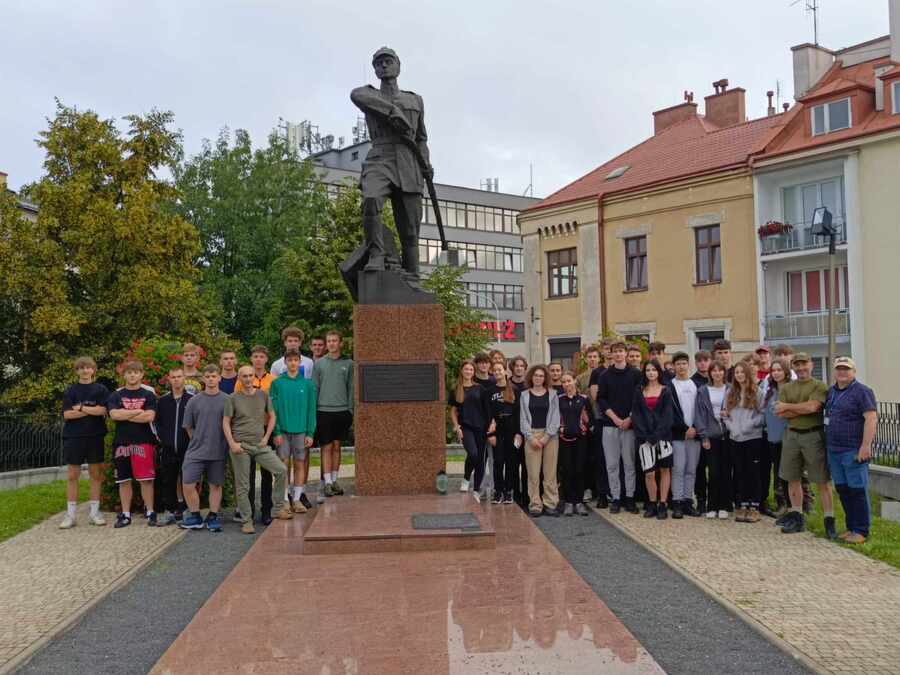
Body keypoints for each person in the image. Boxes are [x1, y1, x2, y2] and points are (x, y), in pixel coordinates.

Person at [350, 46, 432, 276]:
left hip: (409, 161)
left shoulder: (415, 100)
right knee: (371, 198)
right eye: (379, 63)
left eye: (388, 61)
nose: (384, 66)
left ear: (398, 66)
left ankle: (412, 273)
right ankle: (376, 253)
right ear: (375, 70)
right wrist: (393, 113)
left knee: (410, 227)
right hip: (380, 157)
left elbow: (421, 138)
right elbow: (356, 95)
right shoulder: (369, 94)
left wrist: (426, 163)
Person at [223, 365, 293, 534]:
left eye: (250, 376)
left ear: (254, 377)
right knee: (243, 485)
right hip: (241, 446)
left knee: (281, 470)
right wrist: (232, 443)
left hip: (260, 445)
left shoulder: (263, 395)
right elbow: (225, 422)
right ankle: (247, 520)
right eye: (244, 376)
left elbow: (272, 416)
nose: (248, 379)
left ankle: (277, 509)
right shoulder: (232, 398)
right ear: (239, 378)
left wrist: (266, 437)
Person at [775, 353, 835, 537]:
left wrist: (789, 406)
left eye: (804, 364)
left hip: (813, 435)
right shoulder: (787, 387)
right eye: (797, 365)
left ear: (811, 365)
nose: (801, 368)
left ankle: (829, 520)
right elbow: (781, 413)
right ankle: (797, 517)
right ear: (793, 367)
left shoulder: (819, 385)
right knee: (792, 478)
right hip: (792, 435)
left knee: (822, 480)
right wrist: (800, 408)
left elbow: (813, 408)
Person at [825, 357, 877, 544]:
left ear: (853, 372)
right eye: (839, 369)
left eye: (846, 369)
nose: (842, 372)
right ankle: (851, 527)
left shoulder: (862, 392)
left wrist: (866, 445)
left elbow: (871, 418)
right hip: (834, 450)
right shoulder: (831, 392)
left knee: (857, 490)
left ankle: (861, 530)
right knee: (843, 489)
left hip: (853, 449)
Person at [59, 356, 109, 529]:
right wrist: (92, 410)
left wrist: (80, 408)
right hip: (74, 437)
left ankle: (94, 513)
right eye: (81, 368)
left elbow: (103, 410)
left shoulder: (101, 389)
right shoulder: (70, 390)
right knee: (72, 475)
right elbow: (67, 414)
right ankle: (71, 515)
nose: (85, 370)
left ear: (93, 370)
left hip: (95, 436)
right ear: (77, 371)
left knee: (96, 474)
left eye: (88, 367)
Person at [179, 365, 230, 532]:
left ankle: (213, 516)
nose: (210, 379)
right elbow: (188, 426)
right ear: (203, 379)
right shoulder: (194, 401)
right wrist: (197, 439)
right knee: (188, 484)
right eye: (207, 376)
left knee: (216, 485)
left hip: (218, 450)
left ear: (219, 378)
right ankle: (195, 516)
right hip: (196, 451)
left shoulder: (227, 400)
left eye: (214, 376)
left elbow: (231, 424)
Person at [107, 360, 157, 528]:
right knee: (124, 480)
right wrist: (137, 411)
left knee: (146, 480)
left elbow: (149, 416)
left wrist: (125, 414)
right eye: (129, 372)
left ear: (141, 374)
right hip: (122, 443)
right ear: (124, 375)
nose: (132, 375)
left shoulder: (148, 394)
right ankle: (126, 514)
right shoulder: (116, 395)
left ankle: (150, 512)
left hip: (143, 441)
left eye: (136, 372)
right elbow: (114, 415)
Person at [235, 345, 282, 523]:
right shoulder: (242, 379)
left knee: (267, 473)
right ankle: (249, 512)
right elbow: (236, 405)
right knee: (248, 473)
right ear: (251, 359)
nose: (258, 359)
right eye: (255, 356)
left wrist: (275, 432)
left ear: (266, 359)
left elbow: (275, 409)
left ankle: (266, 510)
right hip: (247, 431)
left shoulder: (273, 380)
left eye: (261, 356)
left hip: (266, 430)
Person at [596, 342, 642, 514]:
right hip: (610, 425)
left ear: (626, 354)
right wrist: (615, 418)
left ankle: (630, 498)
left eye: (621, 351)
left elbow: (639, 398)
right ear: (611, 354)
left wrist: (629, 418)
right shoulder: (605, 375)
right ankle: (615, 498)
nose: (618, 354)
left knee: (629, 464)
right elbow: (601, 399)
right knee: (612, 464)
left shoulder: (635, 374)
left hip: (630, 425)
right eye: (615, 352)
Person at [270, 350, 318, 510]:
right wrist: (276, 431)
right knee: (283, 465)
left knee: (300, 463)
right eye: (289, 360)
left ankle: (297, 499)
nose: (292, 363)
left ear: (299, 362)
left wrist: (310, 432)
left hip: (301, 431)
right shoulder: (277, 383)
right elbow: (273, 410)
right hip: (283, 431)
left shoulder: (307, 384)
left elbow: (311, 410)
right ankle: (284, 499)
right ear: (285, 362)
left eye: (295, 360)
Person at [631, 360, 675, 519]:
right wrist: (645, 436)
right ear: (644, 373)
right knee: (649, 473)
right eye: (648, 370)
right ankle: (652, 503)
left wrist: (657, 435)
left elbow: (668, 416)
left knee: (664, 470)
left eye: (654, 370)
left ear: (659, 372)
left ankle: (663, 504)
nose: (651, 373)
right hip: (644, 439)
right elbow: (636, 415)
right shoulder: (639, 391)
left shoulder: (666, 390)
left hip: (663, 438)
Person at [313, 330, 354, 498]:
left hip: (342, 411)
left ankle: (335, 480)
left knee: (337, 447)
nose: (331, 343)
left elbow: (351, 388)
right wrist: (314, 411)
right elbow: (315, 388)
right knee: (327, 447)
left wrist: (350, 410)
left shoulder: (349, 364)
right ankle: (328, 482)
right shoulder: (319, 364)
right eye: (329, 341)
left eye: (334, 341)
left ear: (340, 343)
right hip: (324, 411)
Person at [723, 362, 765, 523]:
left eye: (742, 372)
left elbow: (763, 415)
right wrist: (732, 427)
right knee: (739, 472)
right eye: (737, 372)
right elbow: (725, 415)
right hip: (735, 438)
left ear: (747, 373)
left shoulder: (757, 392)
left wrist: (750, 424)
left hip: (753, 438)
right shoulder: (730, 393)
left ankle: (754, 506)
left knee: (753, 472)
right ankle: (742, 504)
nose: (739, 375)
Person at [520, 365, 561, 517]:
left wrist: (546, 437)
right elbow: (523, 419)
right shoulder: (524, 395)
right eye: (536, 375)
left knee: (550, 473)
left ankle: (550, 503)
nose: (538, 378)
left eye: (541, 376)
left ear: (545, 378)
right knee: (533, 473)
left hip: (550, 436)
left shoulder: (553, 394)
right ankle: (535, 504)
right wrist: (530, 437)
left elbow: (556, 417)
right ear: (531, 377)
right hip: (531, 435)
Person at [154, 367, 193, 525]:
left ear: (184, 378)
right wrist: (163, 438)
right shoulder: (163, 401)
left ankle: (187, 510)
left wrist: (194, 441)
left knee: (188, 480)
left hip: (188, 448)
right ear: (169, 379)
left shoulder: (192, 400)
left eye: (179, 376)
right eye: (173, 377)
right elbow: (157, 422)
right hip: (168, 448)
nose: (176, 380)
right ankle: (170, 510)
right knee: (168, 479)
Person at [450, 360, 492, 498]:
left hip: (481, 428)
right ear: (462, 371)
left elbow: (487, 409)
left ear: (474, 372)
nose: (468, 371)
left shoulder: (480, 388)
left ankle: (477, 489)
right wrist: (456, 426)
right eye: (466, 369)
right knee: (473, 453)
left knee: (480, 459)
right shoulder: (456, 389)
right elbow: (453, 411)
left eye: (471, 370)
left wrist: (490, 426)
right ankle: (466, 478)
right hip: (465, 427)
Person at [695, 361, 732, 519]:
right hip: (711, 436)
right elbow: (699, 415)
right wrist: (703, 436)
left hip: (729, 435)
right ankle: (712, 506)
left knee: (726, 472)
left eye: (720, 370)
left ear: (724, 372)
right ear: (710, 373)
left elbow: (738, 409)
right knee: (714, 472)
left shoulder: (731, 389)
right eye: (714, 371)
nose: (717, 373)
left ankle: (724, 506)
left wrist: (728, 414)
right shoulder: (703, 390)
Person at [557, 372, 594, 516]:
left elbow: (590, 419)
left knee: (579, 470)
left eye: (569, 381)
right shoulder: (558, 399)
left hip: (580, 440)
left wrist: (585, 427)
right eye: (564, 382)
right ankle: (568, 502)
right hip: (564, 440)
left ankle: (578, 502)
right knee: (567, 470)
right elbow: (554, 418)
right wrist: (560, 428)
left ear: (575, 381)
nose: (567, 384)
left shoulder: (584, 399)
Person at [669, 352, 701, 518]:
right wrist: (684, 429)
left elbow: (701, 409)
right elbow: (670, 412)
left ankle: (688, 501)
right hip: (678, 435)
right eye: (678, 364)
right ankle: (677, 502)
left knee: (691, 469)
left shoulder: (696, 385)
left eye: (684, 363)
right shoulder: (669, 386)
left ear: (688, 365)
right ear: (673, 366)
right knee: (678, 469)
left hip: (694, 434)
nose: (681, 367)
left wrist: (695, 427)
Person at [486, 361, 522, 505]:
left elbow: (518, 412)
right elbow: (487, 413)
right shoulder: (489, 391)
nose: (497, 372)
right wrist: (490, 434)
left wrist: (518, 432)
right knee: (498, 461)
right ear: (492, 373)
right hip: (497, 430)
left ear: (505, 371)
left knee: (511, 462)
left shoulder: (514, 389)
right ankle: (498, 491)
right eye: (495, 370)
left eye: (500, 370)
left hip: (511, 430)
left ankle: (508, 491)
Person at [761, 358, 791, 517]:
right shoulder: (770, 391)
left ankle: (790, 506)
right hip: (772, 437)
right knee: (778, 473)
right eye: (773, 370)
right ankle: (781, 504)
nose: (776, 373)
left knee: (787, 474)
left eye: (779, 370)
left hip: (788, 437)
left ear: (786, 371)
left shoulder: (791, 389)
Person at [588, 349, 611, 509]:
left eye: (613, 350)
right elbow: (596, 397)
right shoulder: (597, 372)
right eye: (607, 350)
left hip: (622, 421)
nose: (610, 353)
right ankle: (602, 493)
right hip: (602, 420)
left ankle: (620, 494)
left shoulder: (628, 371)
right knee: (602, 459)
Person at [691, 349, 713, 512]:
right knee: (699, 468)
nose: (703, 363)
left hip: (715, 432)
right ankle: (701, 499)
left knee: (715, 468)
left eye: (706, 360)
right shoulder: (692, 382)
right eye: (700, 361)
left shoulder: (716, 379)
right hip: (698, 432)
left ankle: (715, 499)